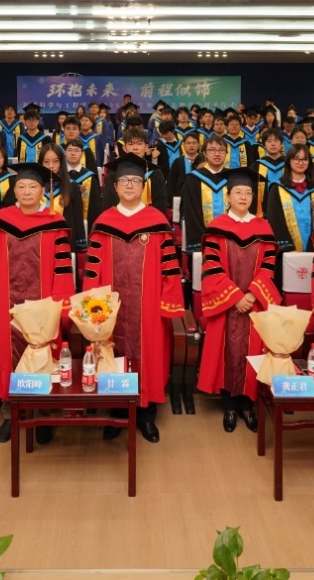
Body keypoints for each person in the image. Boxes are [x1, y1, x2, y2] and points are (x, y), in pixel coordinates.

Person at [80, 154, 185, 443]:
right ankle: (117, 412)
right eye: (124, 180)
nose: (129, 185)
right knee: (112, 353)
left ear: (143, 186)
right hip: (110, 307)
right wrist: (92, 307)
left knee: (149, 355)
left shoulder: (157, 222)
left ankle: (146, 415)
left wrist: (168, 302)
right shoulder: (104, 223)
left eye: (135, 180)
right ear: (115, 186)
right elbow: (92, 269)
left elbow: (170, 268)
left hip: (148, 307)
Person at [0, 162, 75, 443]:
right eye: (21, 187)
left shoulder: (55, 223)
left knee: (45, 357)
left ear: (43, 191)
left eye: (32, 187)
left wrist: (60, 307)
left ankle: (44, 414)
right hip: (7, 308)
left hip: (45, 308)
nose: (27, 191)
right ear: (14, 191)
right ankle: (12, 414)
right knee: (9, 359)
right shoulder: (1, 222)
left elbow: (62, 269)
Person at [197, 167, 281, 433]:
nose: (243, 197)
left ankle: (247, 406)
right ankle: (229, 407)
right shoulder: (217, 228)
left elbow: (269, 265)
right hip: (227, 304)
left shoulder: (263, 228)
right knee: (226, 352)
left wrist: (252, 294)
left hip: (254, 303)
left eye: (248, 193)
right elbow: (212, 266)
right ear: (228, 196)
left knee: (253, 352)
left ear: (253, 197)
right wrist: (235, 297)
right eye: (238, 192)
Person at [264, 143, 314, 253]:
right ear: (289, 161)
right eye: (296, 159)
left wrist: (313, 247)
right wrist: (288, 248)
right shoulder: (277, 189)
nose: (300, 163)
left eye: (305, 159)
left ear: (309, 162)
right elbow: (275, 221)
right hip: (286, 253)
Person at [98, 128, 168, 216]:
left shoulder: (155, 173)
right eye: (131, 144)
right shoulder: (115, 173)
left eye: (139, 144)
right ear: (124, 148)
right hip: (120, 221)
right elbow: (109, 204)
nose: (135, 148)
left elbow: (160, 205)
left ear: (146, 147)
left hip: (149, 221)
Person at [179, 135, 230, 252]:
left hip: (230, 238)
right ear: (205, 154)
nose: (217, 154)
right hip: (202, 240)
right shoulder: (193, 179)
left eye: (221, 150)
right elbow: (191, 212)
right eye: (212, 150)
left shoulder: (233, 177)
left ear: (226, 153)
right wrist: (203, 238)